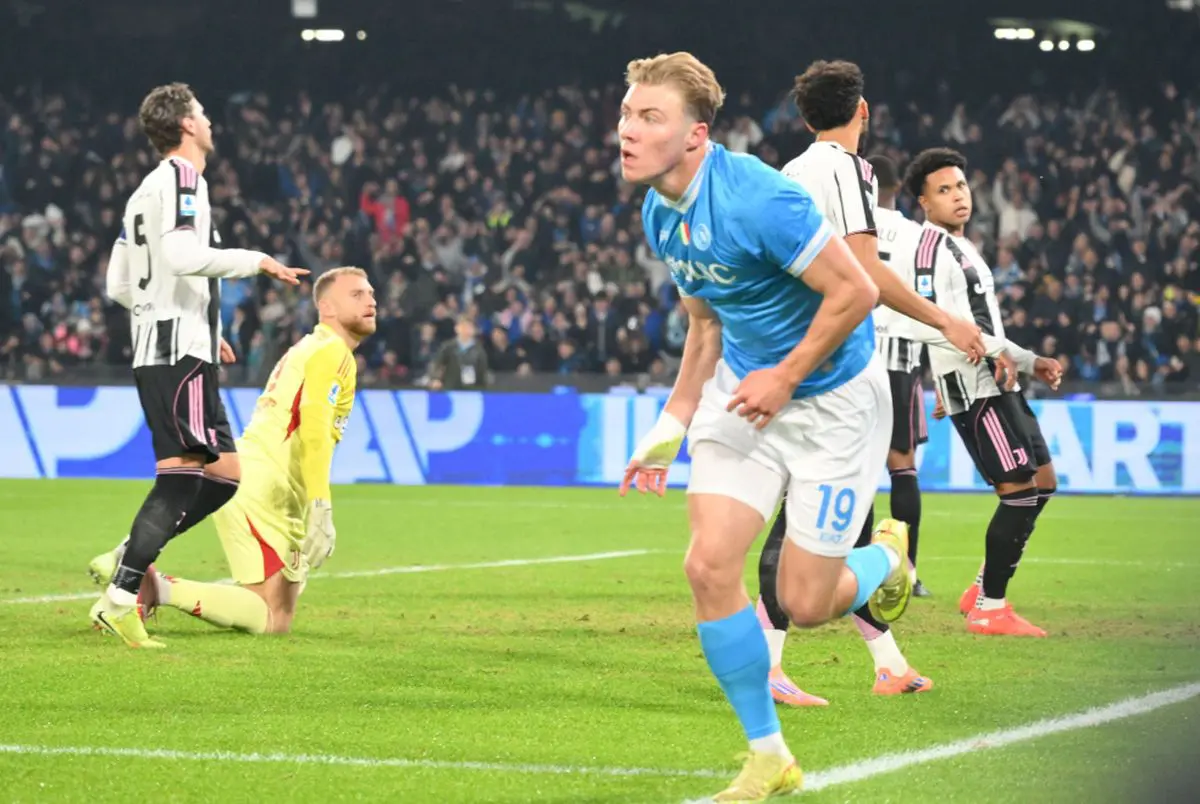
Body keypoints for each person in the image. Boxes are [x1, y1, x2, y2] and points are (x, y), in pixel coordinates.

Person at [616, 51, 913, 801]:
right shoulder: (658, 209)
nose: (628, 130)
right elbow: (704, 324)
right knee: (707, 566)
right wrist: (671, 423)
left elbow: (855, 293)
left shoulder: (758, 198)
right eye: (626, 114)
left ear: (696, 134)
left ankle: (887, 557)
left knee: (807, 604)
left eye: (649, 117)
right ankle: (768, 753)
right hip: (744, 394)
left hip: (833, 403)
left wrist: (787, 376)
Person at [757, 62, 965, 704]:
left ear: (804, 116)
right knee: (804, 522)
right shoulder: (847, 170)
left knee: (841, 520)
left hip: (796, 355)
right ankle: (767, 665)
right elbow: (866, 273)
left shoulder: (790, 173)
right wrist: (944, 319)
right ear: (863, 110)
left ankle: (888, 663)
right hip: (831, 370)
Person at [90, 82, 307, 648]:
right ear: (186, 124)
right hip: (177, 352)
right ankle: (120, 598)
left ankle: (128, 554)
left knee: (226, 475)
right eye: (203, 113)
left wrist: (204, 328)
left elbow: (118, 284)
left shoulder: (143, 192)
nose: (210, 121)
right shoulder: (184, 177)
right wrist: (257, 261)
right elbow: (183, 256)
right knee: (180, 478)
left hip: (176, 346)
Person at [90, 267, 377, 636]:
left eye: (371, 293)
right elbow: (315, 429)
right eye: (357, 294)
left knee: (279, 604)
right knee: (272, 617)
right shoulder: (333, 353)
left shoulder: (311, 347)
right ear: (327, 308)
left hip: (258, 474)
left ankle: (130, 563)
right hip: (268, 487)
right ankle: (153, 588)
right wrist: (321, 504)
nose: (370, 300)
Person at [901, 147, 1061, 637]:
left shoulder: (964, 246)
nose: (958, 196)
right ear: (924, 203)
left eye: (961, 186)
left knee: (1043, 482)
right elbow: (927, 320)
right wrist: (983, 359)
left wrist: (1030, 361)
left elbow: (982, 323)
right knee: (1018, 493)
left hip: (1000, 379)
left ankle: (981, 588)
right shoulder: (928, 249)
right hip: (974, 387)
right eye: (943, 190)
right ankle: (991, 606)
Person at [869, 154, 932, 597]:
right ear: (897, 189)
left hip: (851, 354)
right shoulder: (917, 235)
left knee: (849, 464)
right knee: (902, 465)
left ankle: (846, 566)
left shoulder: (847, 226)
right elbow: (928, 300)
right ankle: (907, 571)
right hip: (900, 355)